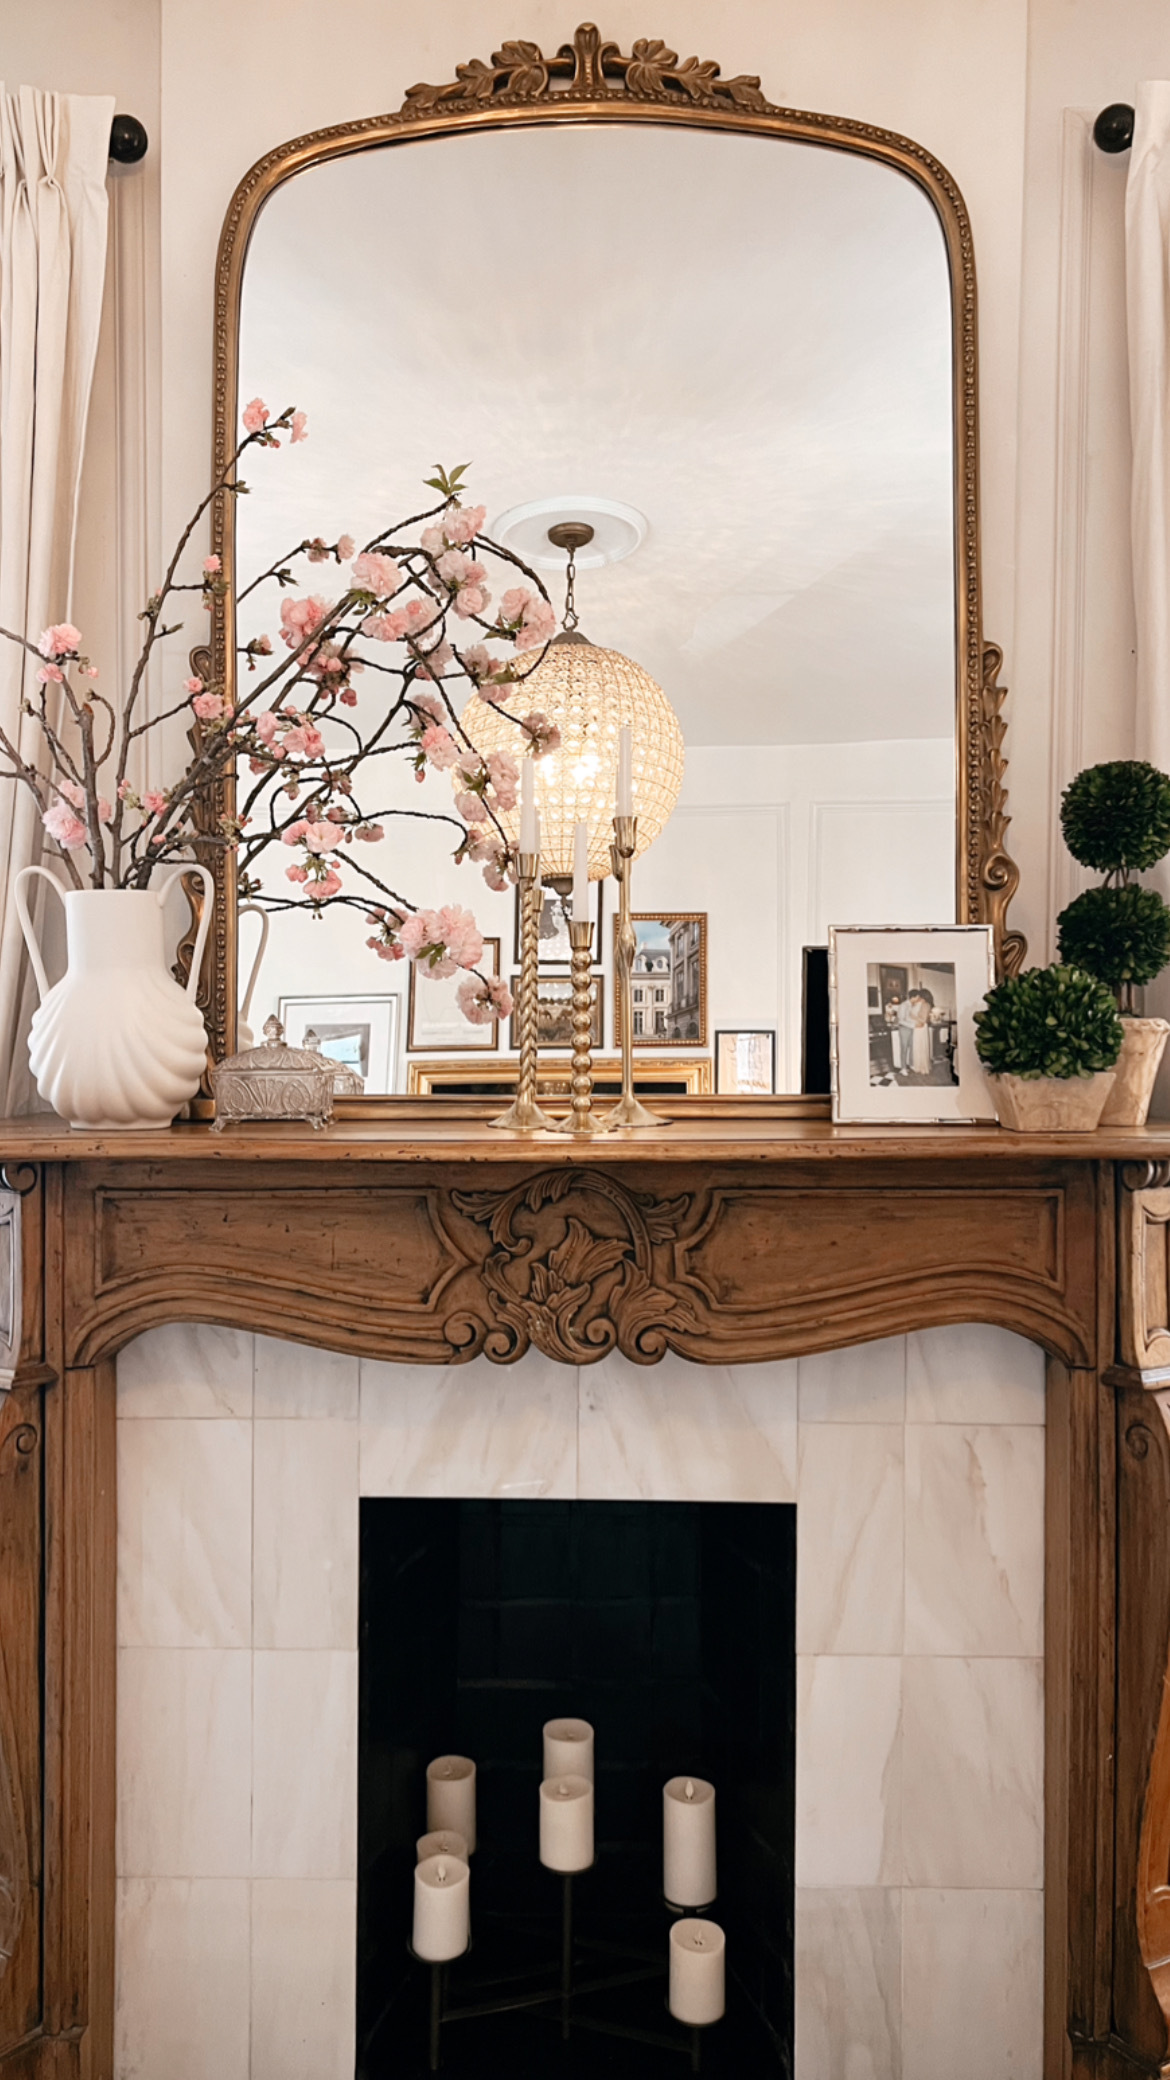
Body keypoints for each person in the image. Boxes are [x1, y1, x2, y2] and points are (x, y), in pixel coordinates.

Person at [908, 988, 934, 1077]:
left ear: (923, 997)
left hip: (921, 1029)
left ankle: (922, 1067)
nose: (918, 998)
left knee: (921, 1047)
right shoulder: (921, 1004)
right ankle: (918, 1066)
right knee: (918, 1047)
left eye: (919, 996)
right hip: (919, 1028)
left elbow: (923, 1020)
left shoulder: (925, 1005)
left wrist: (913, 1016)